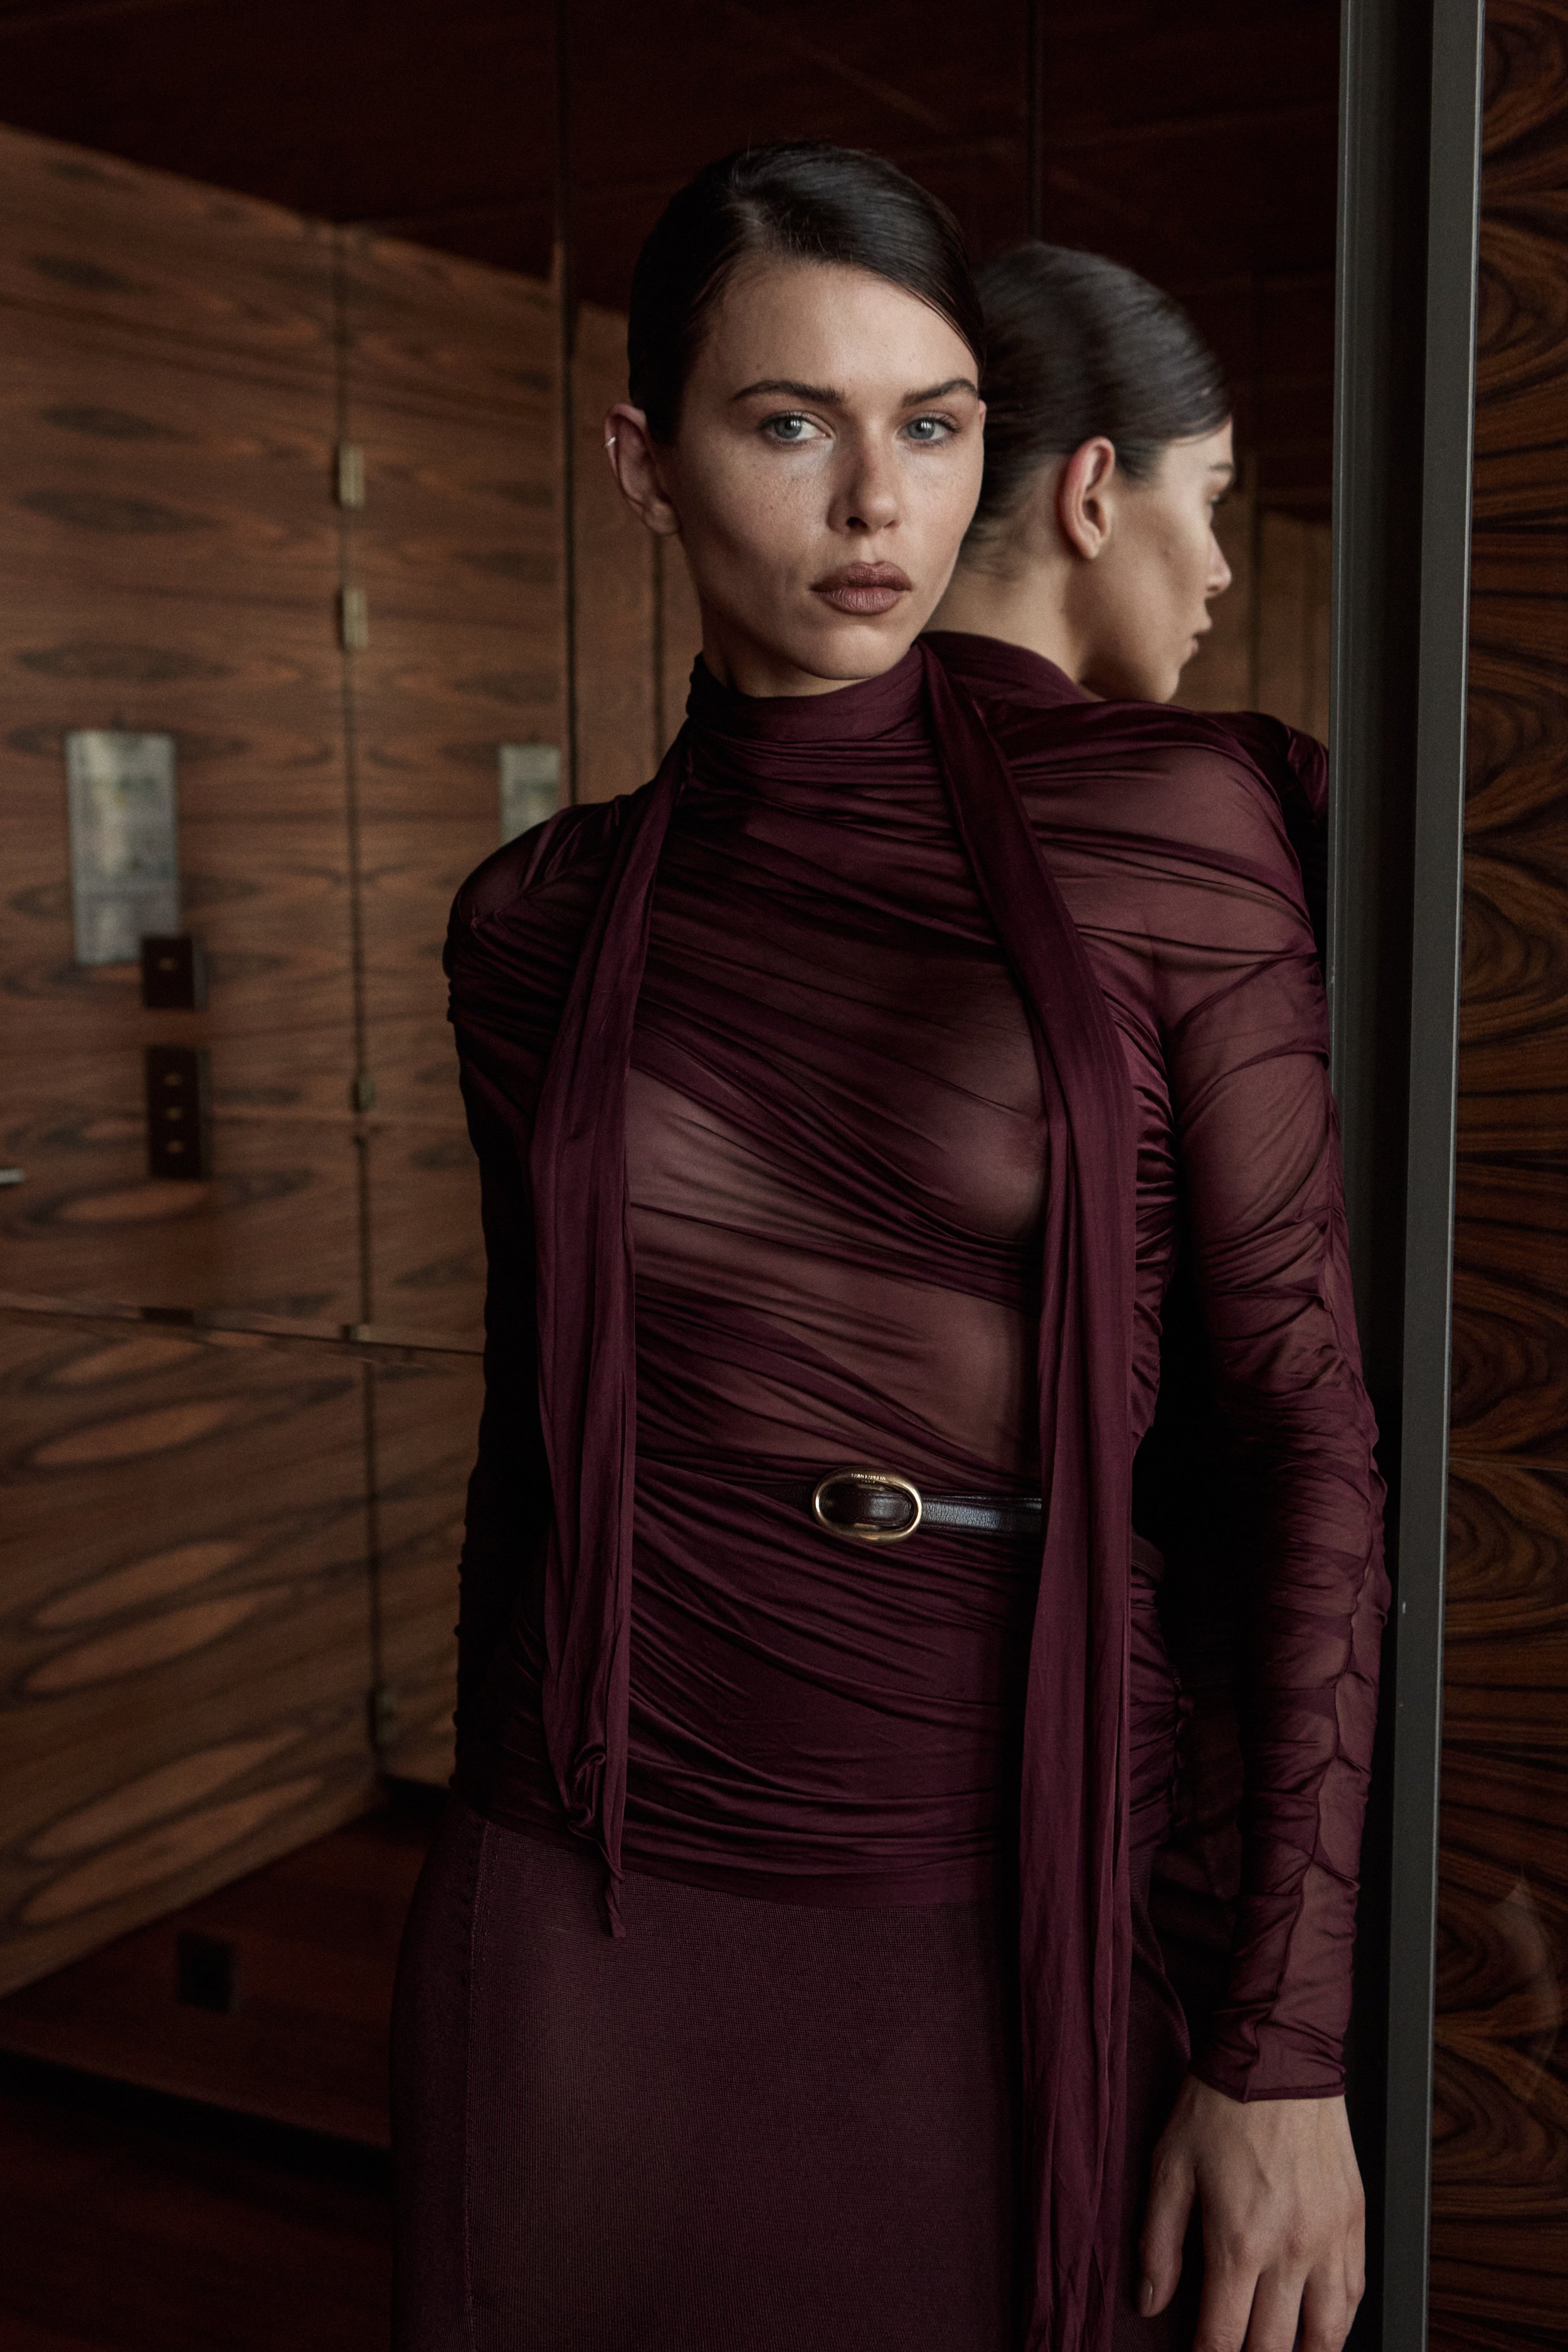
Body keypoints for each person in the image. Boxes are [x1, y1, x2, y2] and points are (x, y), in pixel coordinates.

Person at [391, 149, 1386, 2352]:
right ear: (644, 463)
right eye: (788, 423)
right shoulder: (534, 919)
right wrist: (490, 1827)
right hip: (580, 1881)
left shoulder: (1162, 825)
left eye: (930, 426)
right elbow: (528, 1458)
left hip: (989, 1858)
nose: (874, 502)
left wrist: (1283, 2041)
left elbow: (1304, 1436)